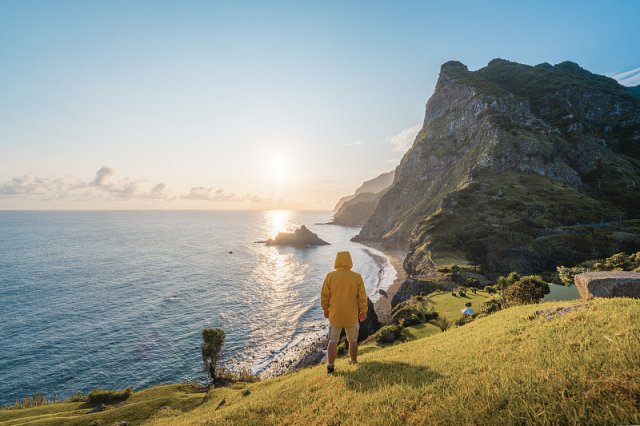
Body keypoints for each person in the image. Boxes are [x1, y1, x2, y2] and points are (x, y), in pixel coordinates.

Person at [320, 251, 367, 373]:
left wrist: (326, 309)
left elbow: (324, 296)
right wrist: (363, 311)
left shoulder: (330, 276)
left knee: (333, 341)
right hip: (351, 315)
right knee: (352, 340)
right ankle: (353, 361)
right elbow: (362, 297)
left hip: (335, 315)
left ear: (336, 261)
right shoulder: (357, 277)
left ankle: (330, 366)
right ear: (350, 261)